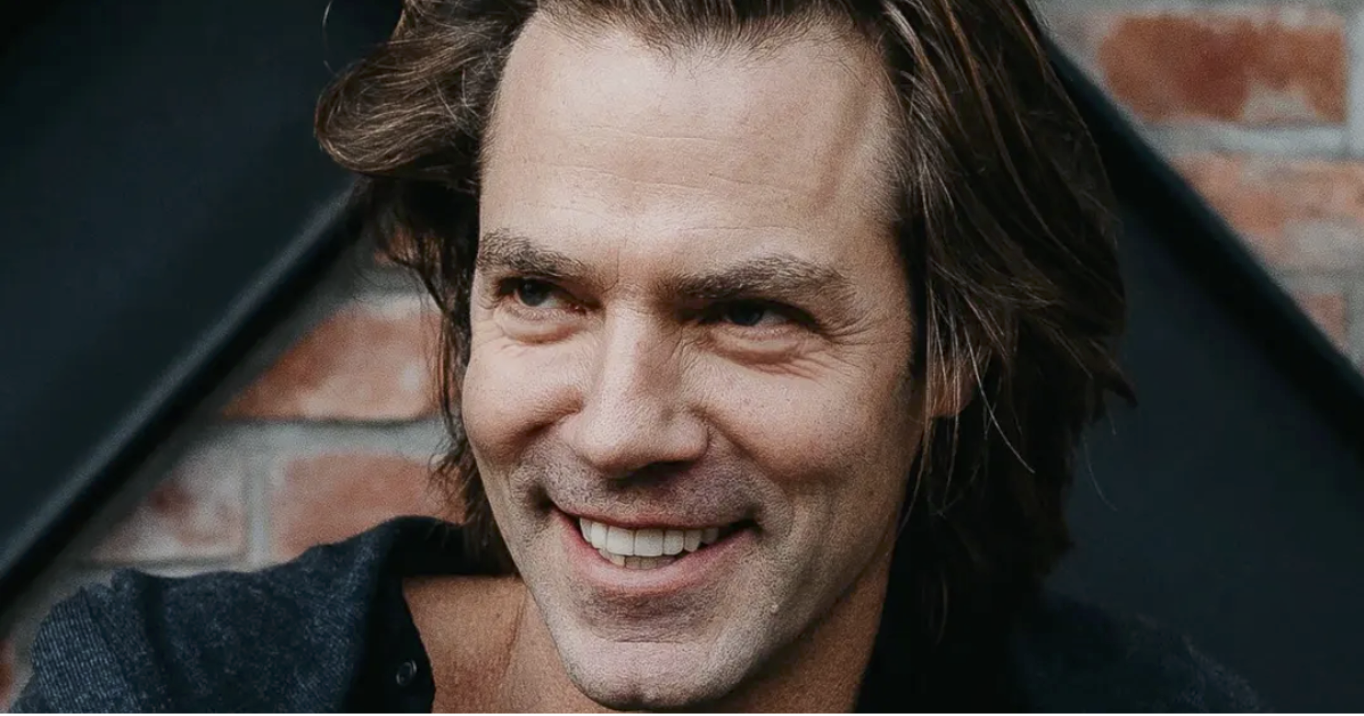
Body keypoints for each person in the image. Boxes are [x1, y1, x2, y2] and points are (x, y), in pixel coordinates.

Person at [14, 0, 1266, 711]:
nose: (616, 427)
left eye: (746, 314)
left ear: (951, 351)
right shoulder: (173, 696)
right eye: (540, 290)